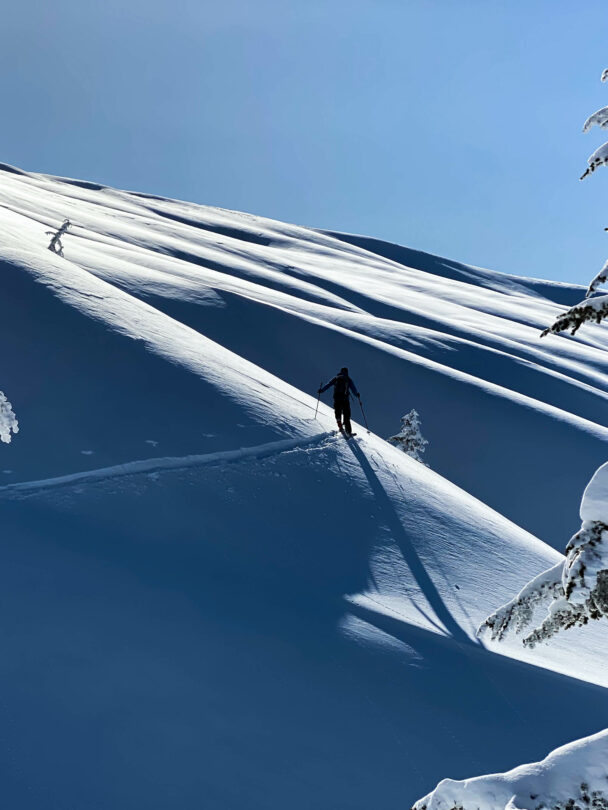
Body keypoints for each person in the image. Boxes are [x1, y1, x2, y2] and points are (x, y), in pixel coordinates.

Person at [318, 367, 360, 435]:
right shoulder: (348, 379)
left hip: (337, 398)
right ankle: (348, 431)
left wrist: (321, 390)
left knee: (338, 412)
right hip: (345, 399)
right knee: (346, 414)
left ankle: (340, 426)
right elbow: (353, 389)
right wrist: (357, 394)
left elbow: (328, 385)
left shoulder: (336, 378)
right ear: (347, 372)